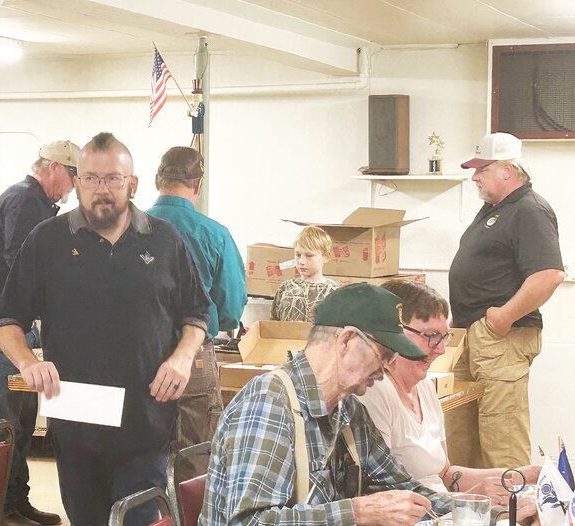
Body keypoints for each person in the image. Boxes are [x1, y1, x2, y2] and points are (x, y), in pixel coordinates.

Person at [0, 132, 210, 526]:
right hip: (76, 425)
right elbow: (7, 320)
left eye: (113, 179)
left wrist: (181, 357)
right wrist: (27, 363)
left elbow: (196, 314)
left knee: (138, 519)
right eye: (91, 179)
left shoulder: (165, 240)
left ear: (133, 184)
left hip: (146, 421)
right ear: (77, 183)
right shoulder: (48, 240)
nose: (101, 190)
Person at [200, 283, 450, 526]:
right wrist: (357, 513)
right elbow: (250, 522)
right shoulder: (270, 403)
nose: (385, 368)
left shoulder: (348, 409)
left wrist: (475, 511)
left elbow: (402, 486)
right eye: (384, 354)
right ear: (347, 341)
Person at [0, 140, 79, 526]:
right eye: (73, 175)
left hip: (10, 328)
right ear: (53, 168)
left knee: (22, 424)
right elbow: (23, 264)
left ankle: (16, 503)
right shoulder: (26, 200)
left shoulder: (36, 203)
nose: (74, 186)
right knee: (2, 428)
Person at [357, 280, 539, 508]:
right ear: (393, 331)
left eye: (444, 337)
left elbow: (445, 474)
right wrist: (470, 500)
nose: (441, 349)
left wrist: (518, 475)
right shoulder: (374, 391)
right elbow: (383, 496)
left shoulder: (423, 386)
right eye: (431, 336)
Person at [450, 132, 564, 468]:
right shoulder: (495, 209)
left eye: (481, 169)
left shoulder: (530, 210)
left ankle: (512, 519)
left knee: (502, 446)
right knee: (462, 444)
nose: (474, 177)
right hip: (471, 336)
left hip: (500, 339)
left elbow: (549, 274)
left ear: (506, 170)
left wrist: (502, 318)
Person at [146, 146, 246, 451]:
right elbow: (229, 308)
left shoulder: (125, 231)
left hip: (139, 358)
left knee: (141, 457)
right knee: (196, 459)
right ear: (197, 185)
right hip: (194, 360)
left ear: (156, 180)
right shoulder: (214, 235)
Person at [271, 225, 339, 322]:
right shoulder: (286, 288)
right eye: (298, 255)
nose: (301, 261)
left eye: (309, 256)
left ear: (325, 257)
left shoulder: (333, 292)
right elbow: (273, 323)